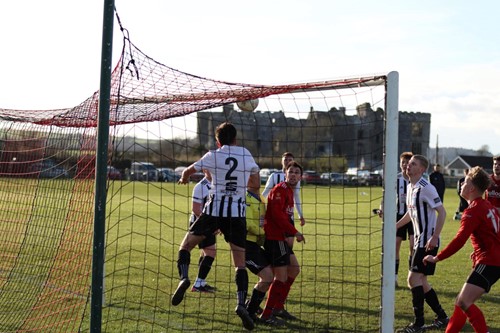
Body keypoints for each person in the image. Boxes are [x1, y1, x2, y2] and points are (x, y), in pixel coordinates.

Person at [172, 122, 260, 331]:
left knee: (185, 247)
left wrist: (184, 178)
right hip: (236, 215)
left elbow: (188, 171)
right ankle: (240, 304)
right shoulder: (246, 154)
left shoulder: (212, 155)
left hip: (213, 211)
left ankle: (184, 278)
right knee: (239, 264)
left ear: (218, 141)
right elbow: (255, 183)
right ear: (236, 139)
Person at [423, 166, 500, 333]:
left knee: (464, 302)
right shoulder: (486, 205)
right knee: (461, 302)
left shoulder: (473, 210)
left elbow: (459, 241)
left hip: (489, 262)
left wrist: (437, 258)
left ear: (472, 188)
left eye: (465, 182)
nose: (461, 185)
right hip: (492, 261)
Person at [395, 155, 448, 333]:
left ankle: (418, 324)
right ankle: (442, 316)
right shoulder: (411, 187)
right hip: (419, 240)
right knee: (421, 281)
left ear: (422, 169)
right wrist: (394, 226)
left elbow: (442, 212)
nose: (408, 166)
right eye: (408, 164)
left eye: (413, 164)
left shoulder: (426, 187)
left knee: (412, 279)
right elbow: (411, 214)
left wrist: (435, 237)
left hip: (427, 242)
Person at [260, 161, 306, 323]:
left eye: (296, 172)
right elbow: (277, 216)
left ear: (300, 177)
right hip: (274, 239)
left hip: (281, 239)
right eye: (290, 172)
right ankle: (267, 314)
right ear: (285, 174)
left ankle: (278, 307)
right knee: (280, 277)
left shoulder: (290, 192)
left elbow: (285, 217)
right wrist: (295, 232)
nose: (293, 174)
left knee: (294, 270)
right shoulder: (280, 189)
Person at [244, 187, 284, 326]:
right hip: (245, 246)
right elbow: (247, 223)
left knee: (270, 274)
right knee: (267, 277)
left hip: (256, 245)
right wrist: (262, 232)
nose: (257, 177)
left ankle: (249, 306)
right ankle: (249, 312)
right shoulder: (244, 197)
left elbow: (265, 219)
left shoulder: (261, 197)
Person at [378, 152, 414, 287]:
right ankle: (394, 277)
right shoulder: (395, 179)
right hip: (398, 216)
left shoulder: (416, 180)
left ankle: (412, 277)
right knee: (395, 245)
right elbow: (385, 197)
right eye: (403, 162)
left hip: (413, 216)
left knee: (413, 246)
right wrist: (382, 208)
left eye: (408, 163)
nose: (405, 165)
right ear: (400, 164)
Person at [189, 169, 217, 293]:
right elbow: (196, 209)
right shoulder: (200, 186)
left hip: (209, 224)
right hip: (200, 224)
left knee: (205, 253)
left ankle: (201, 282)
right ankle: (198, 284)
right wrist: (210, 224)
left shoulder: (216, 184)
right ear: (205, 170)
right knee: (211, 253)